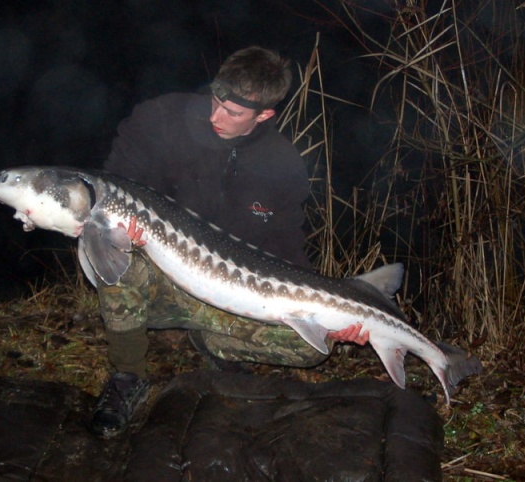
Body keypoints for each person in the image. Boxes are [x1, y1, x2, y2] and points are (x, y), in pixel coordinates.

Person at [91, 46, 367, 438]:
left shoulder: (282, 165)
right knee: (110, 246)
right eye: (215, 101)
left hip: (227, 290)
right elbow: (116, 180)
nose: (215, 117)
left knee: (313, 348)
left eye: (233, 113)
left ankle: (214, 343)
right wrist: (125, 223)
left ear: (264, 115)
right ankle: (127, 376)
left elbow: (287, 249)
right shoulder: (161, 118)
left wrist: (331, 317)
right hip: (157, 273)